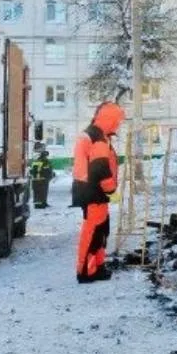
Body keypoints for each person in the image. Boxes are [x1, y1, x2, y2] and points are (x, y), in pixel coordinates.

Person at [72, 101, 125, 284]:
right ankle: (87, 271)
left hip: (92, 193)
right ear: (109, 119)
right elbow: (100, 168)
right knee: (93, 232)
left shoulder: (95, 134)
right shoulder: (98, 138)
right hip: (94, 193)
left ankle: (97, 267)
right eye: (117, 121)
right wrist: (110, 190)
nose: (118, 125)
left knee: (100, 230)